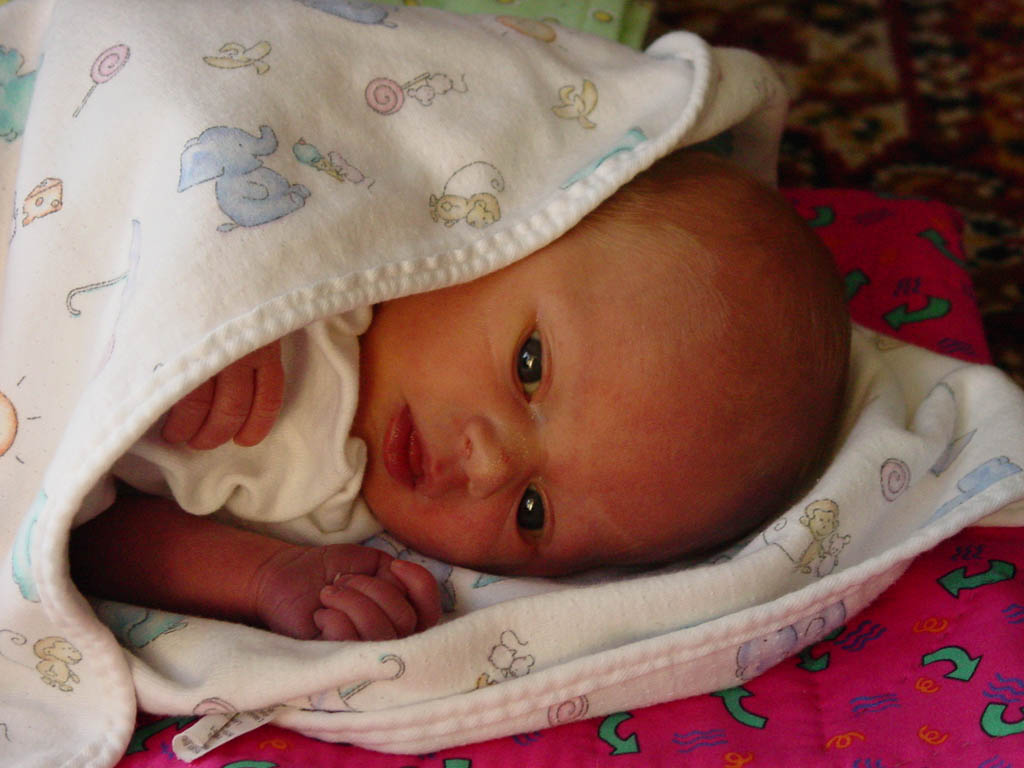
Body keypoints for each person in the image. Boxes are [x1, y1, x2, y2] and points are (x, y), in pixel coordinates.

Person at [70, 150, 851, 644]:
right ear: (525, 224)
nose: (486, 466)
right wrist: (219, 277)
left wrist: (263, 575)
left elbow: (81, 535)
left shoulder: (327, 514)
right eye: (530, 367)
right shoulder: (340, 209)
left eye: (532, 512)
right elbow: (178, 127)